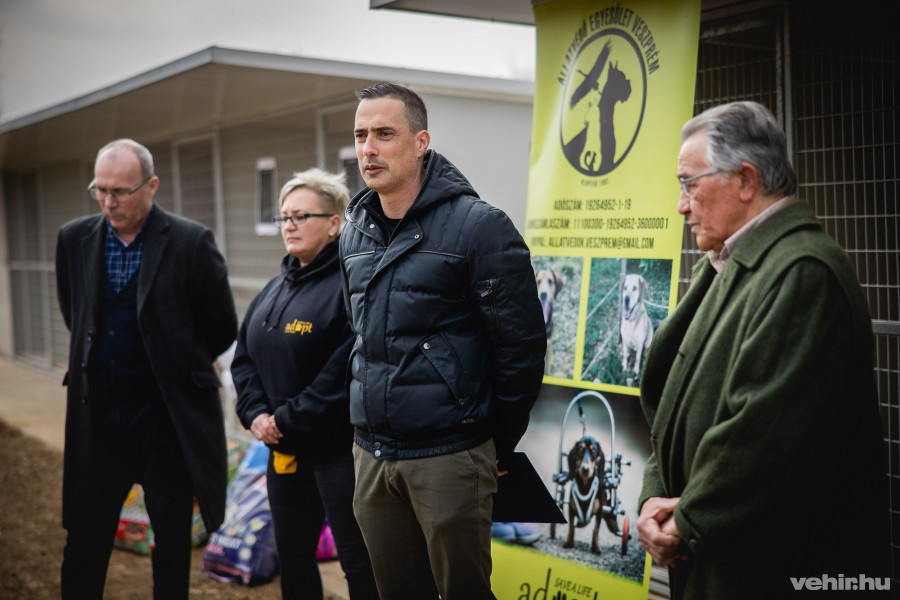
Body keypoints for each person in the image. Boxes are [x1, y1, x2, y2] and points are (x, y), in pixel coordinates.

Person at [636, 101, 891, 598]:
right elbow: (674, 403)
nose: (682, 205)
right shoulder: (732, 262)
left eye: (689, 184)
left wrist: (684, 521)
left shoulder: (802, 272)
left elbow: (761, 438)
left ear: (746, 181)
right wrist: (655, 497)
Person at [339, 82, 547, 599]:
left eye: (384, 134)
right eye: (361, 135)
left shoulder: (480, 228)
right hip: (371, 453)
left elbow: (520, 349)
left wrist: (495, 440)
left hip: (450, 454)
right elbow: (359, 334)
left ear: (420, 142)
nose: (369, 148)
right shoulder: (354, 231)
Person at [55, 139, 238, 598]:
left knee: (172, 539)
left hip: (166, 422)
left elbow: (220, 326)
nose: (108, 202)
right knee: (85, 537)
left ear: (151, 186)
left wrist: (174, 365)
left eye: (120, 191)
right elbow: (76, 314)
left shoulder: (191, 242)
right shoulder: (74, 239)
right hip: (98, 420)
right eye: (100, 190)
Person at [231, 168, 379, 599]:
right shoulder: (274, 287)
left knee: (359, 562)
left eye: (301, 216)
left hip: (339, 454)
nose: (289, 226)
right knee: (293, 558)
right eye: (284, 217)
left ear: (334, 223)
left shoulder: (351, 287)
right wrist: (255, 414)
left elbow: (344, 370)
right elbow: (244, 358)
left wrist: (284, 420)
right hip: (284, 451)